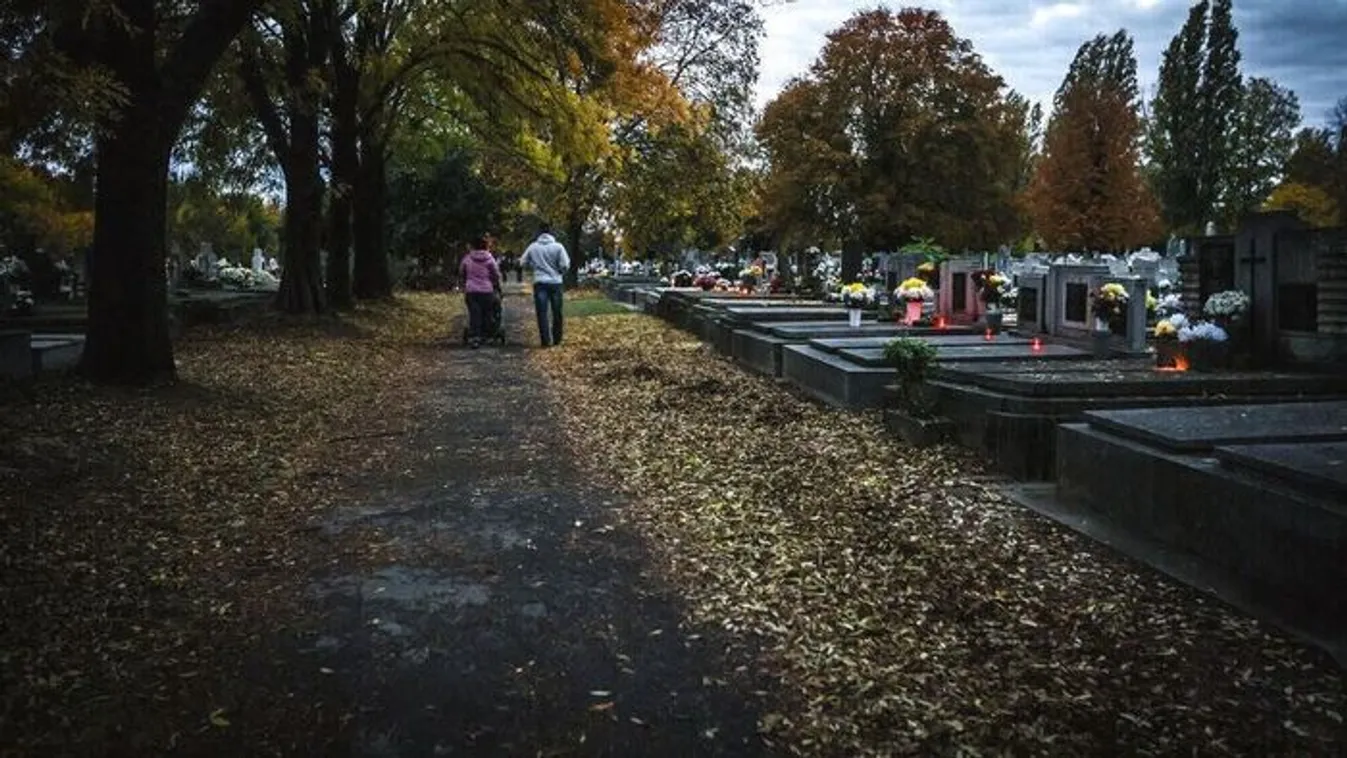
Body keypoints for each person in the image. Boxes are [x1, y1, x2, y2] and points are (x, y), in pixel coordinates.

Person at [519, 224, 570, 347]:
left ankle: (545, 340)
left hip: (540, 282)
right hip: (556, 282)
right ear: (551, 233)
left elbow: (522, 262)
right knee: (557, 312)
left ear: (539, 233)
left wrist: (532, 267)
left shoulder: (533, 247)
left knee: (542, 312)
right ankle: (557, 339)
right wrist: (559, 271)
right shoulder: (558, 247)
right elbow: (565, 264)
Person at [459, 235, 501, 348]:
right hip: (487, 291)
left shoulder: (467, 258)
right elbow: (496, 274)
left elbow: (462, 272)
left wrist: (466, 281)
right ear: (486, 246)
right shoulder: (490, 259)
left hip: (471, 291)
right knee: (487, 312)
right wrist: (494, 283)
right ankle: (487, 335)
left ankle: (475, 337)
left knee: (474, 313)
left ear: (473, 246)